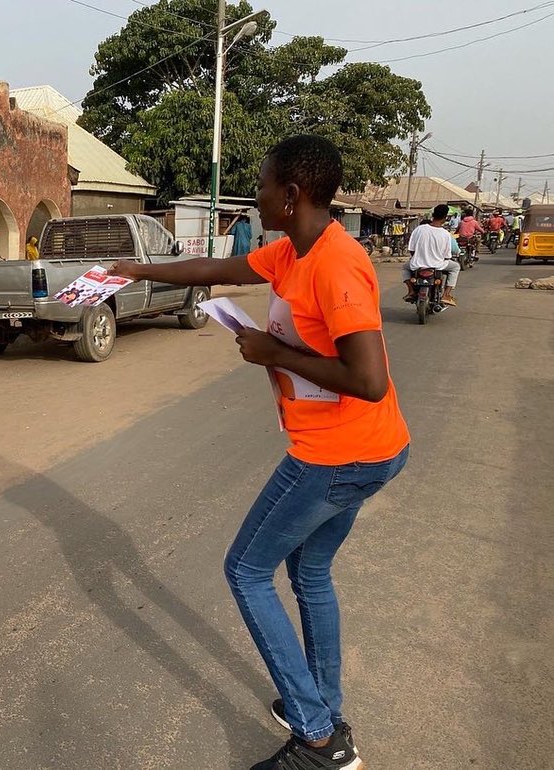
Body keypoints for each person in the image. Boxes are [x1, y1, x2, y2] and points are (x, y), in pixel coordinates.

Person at [110, 135, 409, 770]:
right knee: (309, 573)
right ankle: (322, 708)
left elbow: (369, 379)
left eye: (265, 183)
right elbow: (211, 271)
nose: (258, 194)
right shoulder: (293, 251)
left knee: (245, 571)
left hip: (339, 455)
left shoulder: (336, 263)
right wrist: (134, 271)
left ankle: (317, 738)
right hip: (362, 450)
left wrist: (272, 353)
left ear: (292, 195)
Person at [402, 204, 461, 306]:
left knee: (404, 267)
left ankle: (411, 291)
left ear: (433, 215)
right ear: (445, 217)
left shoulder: (419, 229)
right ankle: (446, 294)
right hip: (438, 265)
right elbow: (447, 256)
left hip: (418, 264)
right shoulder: (446, 234)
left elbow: (411, 250)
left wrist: (417, 258)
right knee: (456, 267)